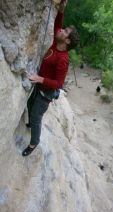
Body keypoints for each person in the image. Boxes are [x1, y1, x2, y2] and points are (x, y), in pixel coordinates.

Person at [22, 0, 79, 156]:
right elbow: (57, 24)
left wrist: (40, 79)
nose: (60, 30)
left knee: (36, 117)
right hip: (40, 86)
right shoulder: (56, 43)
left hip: (46, 92)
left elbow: (59, 83)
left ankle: (34, 143)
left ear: (67, 41)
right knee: (29, 103)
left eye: (65, 31)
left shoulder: (63, 59)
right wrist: (61, 9)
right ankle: (31, 124)